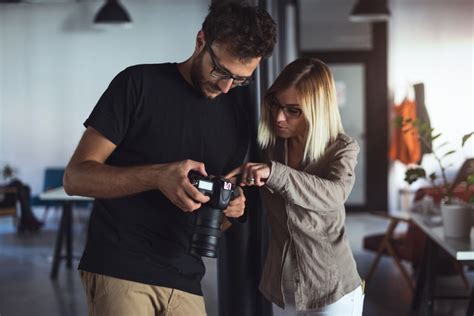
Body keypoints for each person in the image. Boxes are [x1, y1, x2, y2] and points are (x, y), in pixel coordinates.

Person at [63, 2, 276, 316]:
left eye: (240, 79)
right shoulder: (138, 85)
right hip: (122, 268)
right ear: (201, 41)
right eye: (220, 71)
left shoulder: (236, 118)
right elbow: (75, 178)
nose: (226, 86)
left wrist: (232, 208)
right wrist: (156, 176)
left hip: (187, 278)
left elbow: (215, 221)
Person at [226, 58, 364, 315]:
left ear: (317, 110)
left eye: (293, 110)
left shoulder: (342, 148)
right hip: (282, 289)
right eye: (276, 105)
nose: (279, 117)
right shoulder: (270, 146)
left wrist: (274, 173)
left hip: (331, 290)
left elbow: (334, 194)